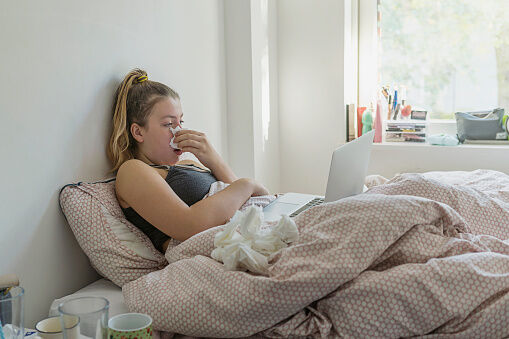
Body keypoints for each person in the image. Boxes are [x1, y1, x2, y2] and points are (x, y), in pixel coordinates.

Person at [107, 69, 269, 253]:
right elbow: (189, 225)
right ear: (138, 132)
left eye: (180, 122)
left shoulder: (189, 164)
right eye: (168, 124)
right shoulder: (133, 171)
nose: (178, 132)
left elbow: (246, 199)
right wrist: (248, 184)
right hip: (225, 245)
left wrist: (214, 160)